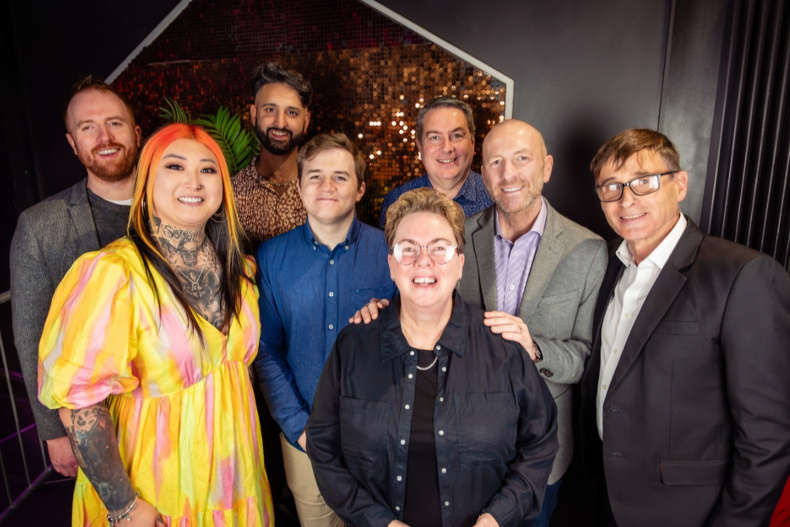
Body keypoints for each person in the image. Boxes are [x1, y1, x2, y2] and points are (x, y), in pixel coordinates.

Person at [38, 123, 274, 526]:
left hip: (235, 478)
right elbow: (80, 406)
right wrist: (124, 506)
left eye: (208, 169)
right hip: (158, 486)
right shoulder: (115, 275)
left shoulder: (241, 270)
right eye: (175, 166)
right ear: (147, 183)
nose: (194, 182)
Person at [307, 188, 558, 527]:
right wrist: (379, 523)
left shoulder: (504, 351)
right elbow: (323, 447)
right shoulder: (353, 346)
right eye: (408, 249)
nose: (424, 261)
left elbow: (539, 444)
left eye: (439, 249)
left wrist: (496, 518)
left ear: (460, 265)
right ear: (392, 266)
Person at [578, 129, 790, 526]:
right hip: (604, 499)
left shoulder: (742, 274)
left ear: (680, 184)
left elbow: (768, 436)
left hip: (688, 512)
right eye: (611, 186)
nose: (627, 199)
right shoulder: (604, 264)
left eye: (644, 182)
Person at [459, 119, 607, 526]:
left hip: (543, 451)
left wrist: (535, 347)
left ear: (546, 167)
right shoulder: (457, 237)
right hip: (465, 442)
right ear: (483, 171)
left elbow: (585, 355)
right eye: (495, 162)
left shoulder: (588, 251)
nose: (508, 174)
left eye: (522, 159)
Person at [255, 133, 396, 526]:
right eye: (315, 176)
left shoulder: (393, 252)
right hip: (305, 442)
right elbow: (266, 352)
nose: (327, 186)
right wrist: (300, 429)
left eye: (340, 176)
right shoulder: (270, 257)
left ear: (360, 188)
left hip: (380, 439)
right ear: (299, 187)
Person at [10, 75, 141, 478]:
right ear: (73, 143)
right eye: (88, 127)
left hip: (176, 409)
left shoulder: (180, 204)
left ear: (136, 133)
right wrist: (52, 431)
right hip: (96, 425)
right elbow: (30, 334)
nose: (105, 136)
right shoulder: (40, 226)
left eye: (115, 123)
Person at [378, 96, 492, 228]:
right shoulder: (396, 201)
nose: (447, 148)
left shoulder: (494, 198)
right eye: (435, 137)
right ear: (420, 146)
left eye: (457, 135)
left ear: (472, 143)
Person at [233, 62, 312, 251]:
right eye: (270, 110)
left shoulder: (321, 190)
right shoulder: (231, 194)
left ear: (306, 121)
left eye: (292, 112)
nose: (280, 122)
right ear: (253, 114)